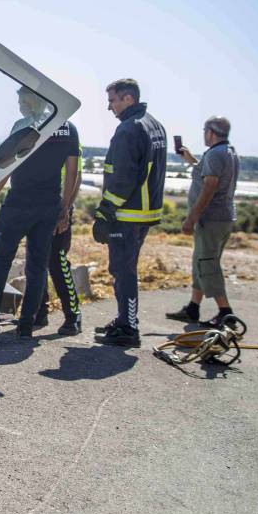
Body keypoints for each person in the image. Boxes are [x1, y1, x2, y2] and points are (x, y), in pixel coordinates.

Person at [0, 88, 79, 339]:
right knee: (37, 266)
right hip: (48, 206)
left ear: (31, 102)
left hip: (18, 204)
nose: (19, 106)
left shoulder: (23, 125)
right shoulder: (68, 127)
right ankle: (27, 324)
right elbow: (71, 172)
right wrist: (64, 208)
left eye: (21, 101)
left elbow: (7, 164)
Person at [92, 79, 167, 347]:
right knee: (126, 269)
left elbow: (122, 179)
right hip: (144, 213)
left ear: (128, 99)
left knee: (123, 271)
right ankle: (125, 319)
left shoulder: (128, 129)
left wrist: (104, 213)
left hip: (127, 215)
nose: (109, 107)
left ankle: (128, 328)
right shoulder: (154, 124)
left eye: (112, 100)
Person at [165, 116, 240, 326]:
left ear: (210, 132)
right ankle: (193, 308)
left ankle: (226, 313)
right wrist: (190, 159)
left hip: (211, 219)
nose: (203, 134)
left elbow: (209, 187)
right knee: (201, 261)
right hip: (222, 218)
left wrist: (191, 218)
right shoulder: (228, 152)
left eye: (204, 131)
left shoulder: (216, 154)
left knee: (207, 264)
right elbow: (207, 174)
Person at [33, 132, 85, 335]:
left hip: (58, 209)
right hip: (36, 208)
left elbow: (76, 176)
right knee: (36, 262)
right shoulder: (37, 131)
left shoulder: (68, 136)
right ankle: (39, 312)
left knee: (57, 262)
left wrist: (65, 210)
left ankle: (73, 315)